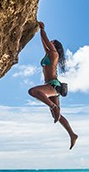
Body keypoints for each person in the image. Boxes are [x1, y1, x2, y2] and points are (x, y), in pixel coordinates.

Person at [28, 21, 78, 150]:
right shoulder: (48, 54)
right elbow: (44, 43)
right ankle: (72, 134)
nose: (49, 42)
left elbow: (46, 41)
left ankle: (53, 106)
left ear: (55, 46)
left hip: (53, 85)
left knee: (33, 91)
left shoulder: (54, 54)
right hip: (54, 87)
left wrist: (43, 29)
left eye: (52, 42)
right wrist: (40, 32)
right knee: (56, 116)